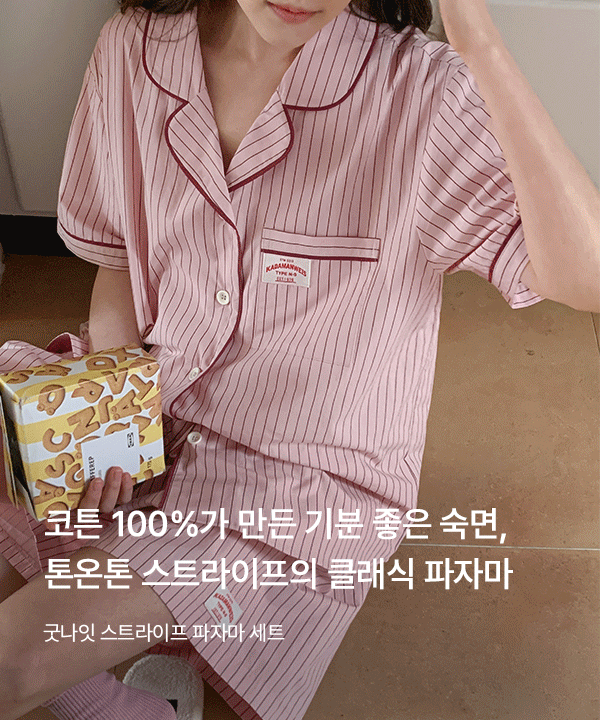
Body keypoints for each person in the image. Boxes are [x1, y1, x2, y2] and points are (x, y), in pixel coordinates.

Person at [0, 0, 598, 718]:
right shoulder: (132, 49)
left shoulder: (422, 92)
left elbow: (587, 275)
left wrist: (481, 40)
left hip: (293, 490)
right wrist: (112, 422)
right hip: (146, 403)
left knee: (12, 661)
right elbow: (119, 259)